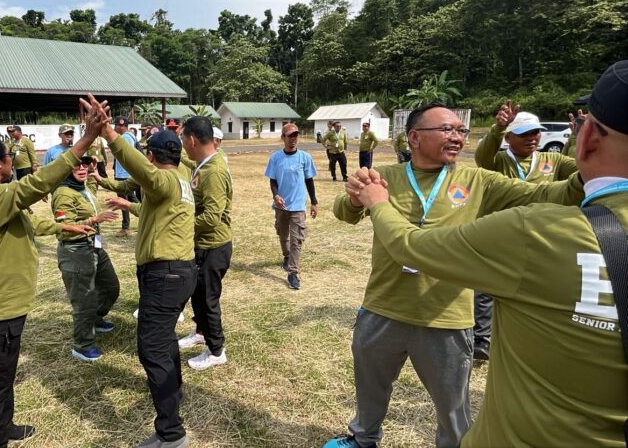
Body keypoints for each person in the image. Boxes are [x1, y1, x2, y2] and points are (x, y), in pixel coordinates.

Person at [348, 60, 628, 446]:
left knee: (453, 409)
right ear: (413, 137)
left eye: (461, 130)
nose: (458, 136)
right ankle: (362, 438)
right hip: (383, 306)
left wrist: (590, 168)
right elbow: (345, 215)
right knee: (370, 389)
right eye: (447, 129)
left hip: (447, 316)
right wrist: (356, 194)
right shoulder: (388, 176)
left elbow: (549, 194)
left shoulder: (478, 180)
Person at [0, 96, 104, 448]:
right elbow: (37, 186)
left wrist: (65, 228)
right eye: (9, 156)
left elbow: (30, 222)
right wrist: (86, 139)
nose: (13, 160)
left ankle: (3, 427)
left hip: (3, 306)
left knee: (2, 378)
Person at [101, 121, 196, 448]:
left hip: (166, 275)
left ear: (153, 156)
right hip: (178, 272)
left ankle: (171, 434)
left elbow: (142, 171)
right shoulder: (180, 179)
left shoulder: (164, 178)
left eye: (148, 155)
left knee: (151, 349)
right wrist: (129, 206)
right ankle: (174, 393)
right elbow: (159, 210)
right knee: (163, 340)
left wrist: (110, 136)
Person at [472, 104, 579, 359]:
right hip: (501, 232)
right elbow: (482, 157)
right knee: (487, 287)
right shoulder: (497, 161)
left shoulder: (552, 160)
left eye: (536, 132)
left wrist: (577, 137)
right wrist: (497, 128)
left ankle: (530, 337)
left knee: (536, 286)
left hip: (541, 235)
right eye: (524, 133)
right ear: (509, 138)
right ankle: (481, 340)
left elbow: (582, 170)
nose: (532, 138)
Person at [176, 116, 234, 371]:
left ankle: (216, 350)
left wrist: (181, 223)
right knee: (198, 295)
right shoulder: (207, 162)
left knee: (208, 298)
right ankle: (201, 332)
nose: (183, 147)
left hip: (213, 246)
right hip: (204, 245)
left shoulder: (214, 171)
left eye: (182, 141)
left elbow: (212, 217)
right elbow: (192, 162)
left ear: (192, 139)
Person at [51, 155, 121, 362]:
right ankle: (83, 344)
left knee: (111, 287)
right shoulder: (64, 193)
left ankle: (95, 320)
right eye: (76, 165)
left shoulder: (83, 187)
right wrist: (94, 219)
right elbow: (64, 229)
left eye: (85, 164)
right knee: (84, 301)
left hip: (94, 246)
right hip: (76, 251)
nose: (82, 168)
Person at [265, 123, 318, 290]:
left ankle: (293, 272)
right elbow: (273, 180)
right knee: (282, 234)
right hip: (281, 205)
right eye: (290, 135)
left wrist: (314, 202)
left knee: (297, 240)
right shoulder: (275, 158)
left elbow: (309, 180)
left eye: (296, 135)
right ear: (283, 138)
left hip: (298, 206)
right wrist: (276, 195)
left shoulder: (305, 157)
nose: (293, 139)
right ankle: (286, 256)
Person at [112, 116, 140, 237]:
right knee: (132, 199)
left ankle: (125, 227)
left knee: (123, 201)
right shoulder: (130, 136)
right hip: (126, 173)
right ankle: (148, 215)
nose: (114, 127)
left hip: (124, 174)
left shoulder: (125, 138)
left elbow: (126, 155)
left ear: (121, 126)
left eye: (116, 125)